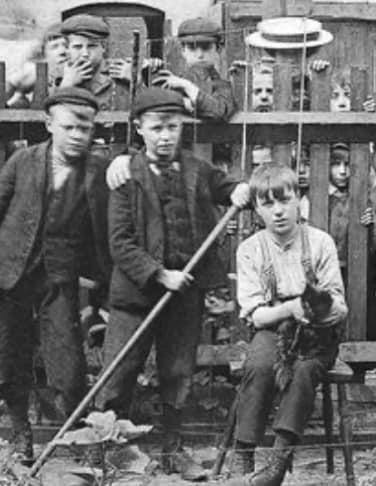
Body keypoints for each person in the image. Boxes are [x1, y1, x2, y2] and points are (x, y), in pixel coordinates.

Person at [96, 87, 250, 480]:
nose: (166, 136)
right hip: (137, 294)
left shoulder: (196, 168)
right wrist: (159, 273)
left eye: (174, 127)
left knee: (178, 370)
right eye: (157, 128)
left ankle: (173, 449)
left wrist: (238, 190)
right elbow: (120, 243)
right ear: (139, 129)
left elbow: (225, 185)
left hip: (185, 291)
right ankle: (110, 451)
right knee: (120, 370)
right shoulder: (125, 175)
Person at [0, 87, 111, 464]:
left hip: (59, 278)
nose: (78, 136)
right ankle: (20, 435)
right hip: (10, 273)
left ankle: (82, 442)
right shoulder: (23, 161)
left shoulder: (98, 171)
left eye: (86, 128)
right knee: (8, 357)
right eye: (69, 127)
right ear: (49, 125)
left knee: (68, 362)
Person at [233, 163, 347, 485]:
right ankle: (244, 456)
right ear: (257, 209)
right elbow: (255, 314)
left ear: (299, 199)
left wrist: (320, 310)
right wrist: (289, 309)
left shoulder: (320, 242)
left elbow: (340, 306)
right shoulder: (250, 249)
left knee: (304, 371)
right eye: (268, 204)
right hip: (272, 327)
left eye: (285, 200)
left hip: (318, 333)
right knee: (259, 365)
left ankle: (277, 462)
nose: (279, 212)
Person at [151, 17, 236, 121]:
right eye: (192, 48)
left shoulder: (223, 86)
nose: (200, 55)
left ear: (218, 49)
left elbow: (220, 111)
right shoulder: (173, 83)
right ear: (183, 51)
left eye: (206, 47)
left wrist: (187, 87)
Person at [328, 143, 376, 282]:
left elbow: (374, 246)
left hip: (353, 269)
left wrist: (370, 227)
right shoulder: (316, 198)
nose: (342, 171)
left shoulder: (363, 199)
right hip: (325, 267)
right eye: (335, 164)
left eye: (347, 165)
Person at [59, 14, 129, 110]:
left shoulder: (119, 73)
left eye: (92, 46)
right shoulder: (58, 77)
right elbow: (47, 118)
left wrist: (136, 82)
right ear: (67, 49)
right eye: (78, 47)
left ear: (103, 47)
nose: (85, 53)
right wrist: (66, 86)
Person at [6, 22, 67, 108]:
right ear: (44, 53)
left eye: (66, 46)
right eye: (55, 47)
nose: (62, 51)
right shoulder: (37, 72)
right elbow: (10, 85)